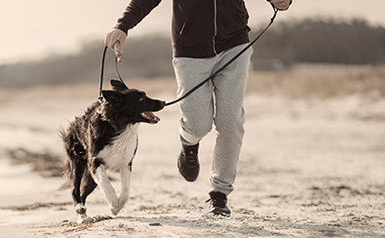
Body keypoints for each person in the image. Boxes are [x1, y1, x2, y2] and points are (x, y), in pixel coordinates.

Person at [105, 0, 291, 216]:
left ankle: (219, 193)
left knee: (231, 121)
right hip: (190, 51)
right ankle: (189, 143)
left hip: (235, 44)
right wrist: (122, 25)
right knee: (198, 125)